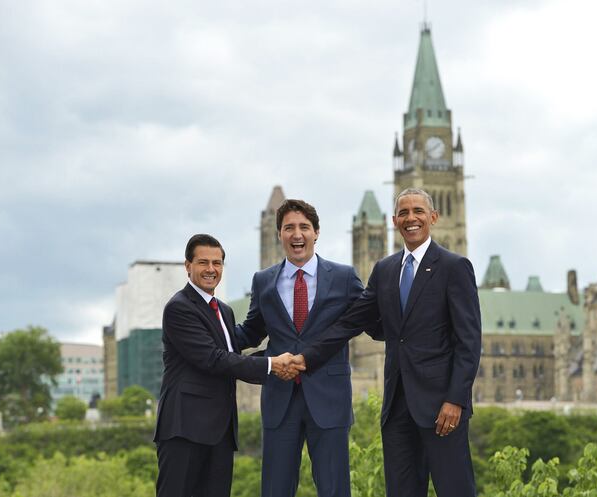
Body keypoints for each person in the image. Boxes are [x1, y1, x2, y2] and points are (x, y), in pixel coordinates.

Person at [295, 188, 482, 497]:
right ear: (395, 221)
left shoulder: (454, 267)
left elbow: (469, 340)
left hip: (442, 407)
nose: (411, 218)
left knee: (455, 489)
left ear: (433, 218)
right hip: (396, 406)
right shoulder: (385, 270)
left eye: (418, 212)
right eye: (404, 213)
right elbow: (353, 321)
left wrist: (456, 399)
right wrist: (306, 358)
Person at [154, 233, 303, 497]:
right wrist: (272, 365)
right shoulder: (179, 308)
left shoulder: (223, 310)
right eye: (203, 262)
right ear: (187, 266)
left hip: (220, 432)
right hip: (185, 430)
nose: (211, 269)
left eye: (217, 263)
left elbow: (235, 345)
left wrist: (278, 320)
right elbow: (214, 359)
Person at [235, 199, 366, 497]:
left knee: (334, 490)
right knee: (275, 490)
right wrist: (211, 334)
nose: (297, 234)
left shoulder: (344, 277)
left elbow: (366, 318)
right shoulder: (263, 281)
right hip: (280, 400)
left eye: (304, 227)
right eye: (289, 228)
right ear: (279, 234)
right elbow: (252, 331)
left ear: (316, 232)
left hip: (329, 401)